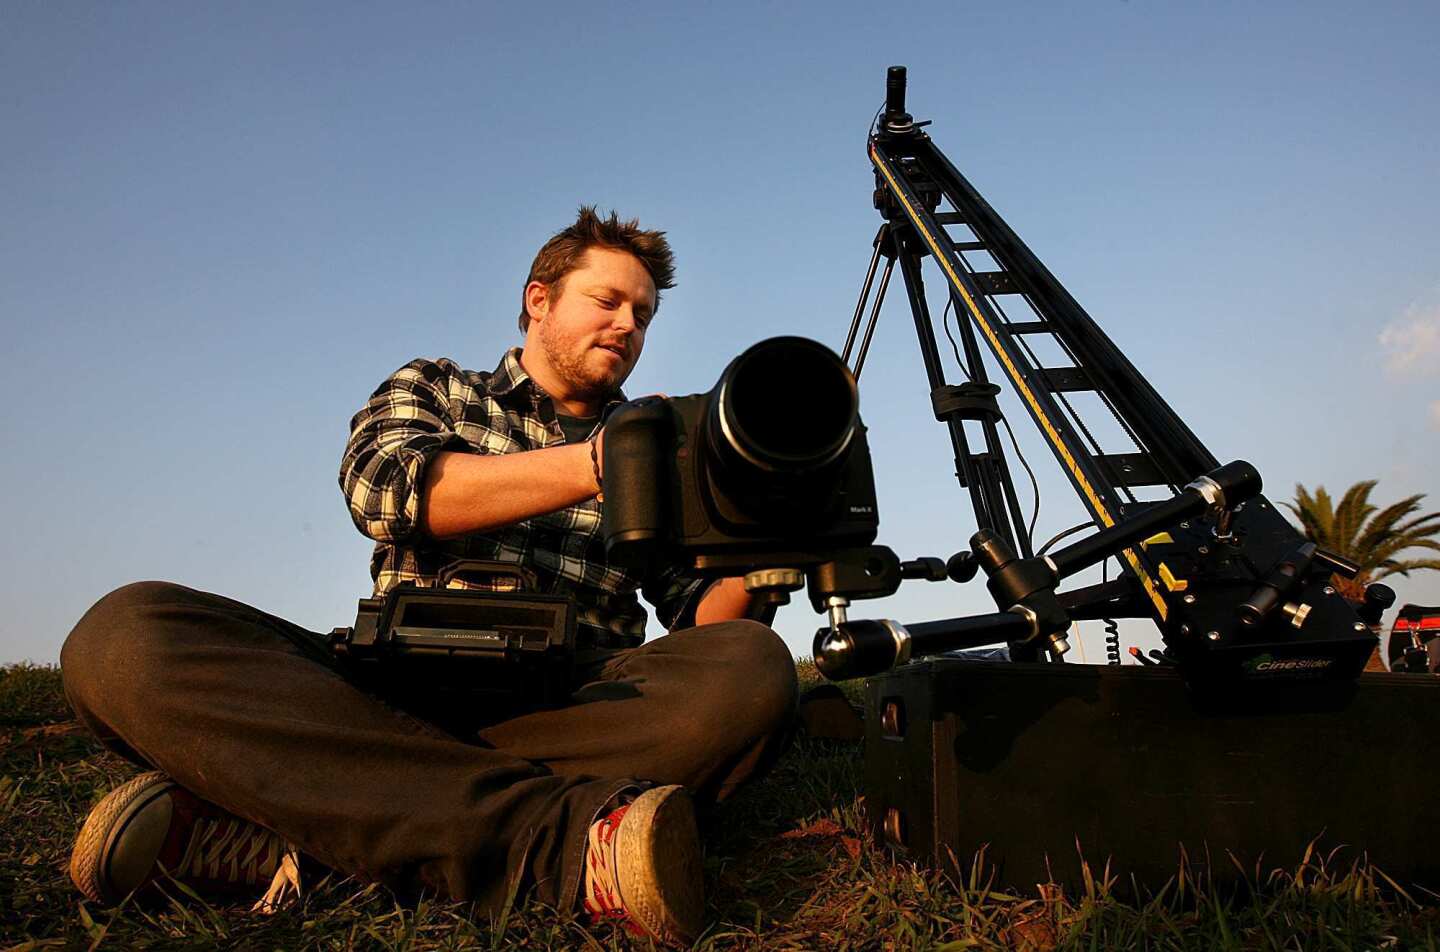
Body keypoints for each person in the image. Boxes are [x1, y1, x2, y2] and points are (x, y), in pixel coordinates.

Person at [60, 207, 798, 947]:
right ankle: (561, 843)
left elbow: (702, 618)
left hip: (575, 702)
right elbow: (383, 489)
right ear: (538, 300)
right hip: (391, 687)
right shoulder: (438, 386)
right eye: (606, 301)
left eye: (642, 315)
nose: (626, 327)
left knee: (751, 668)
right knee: (124, 638)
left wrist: (759, 558)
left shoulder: (663, 455)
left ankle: (307, 827)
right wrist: (596, 465)